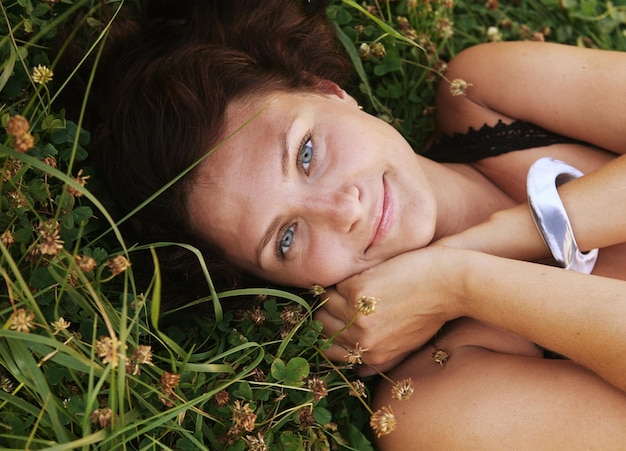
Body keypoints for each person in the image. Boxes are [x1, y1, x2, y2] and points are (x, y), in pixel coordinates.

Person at [89, 0, 626, 447]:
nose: (343, 211)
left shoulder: (485, 93)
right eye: (287, 237)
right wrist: (460, 285)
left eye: (305, 154)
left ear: (330, 92)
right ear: (283, 284)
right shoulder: (430, 404)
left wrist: (503, 238)